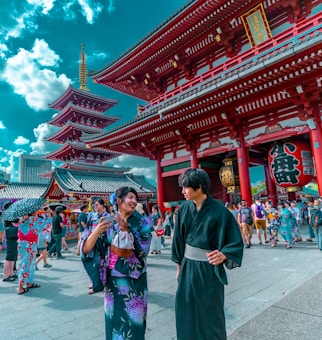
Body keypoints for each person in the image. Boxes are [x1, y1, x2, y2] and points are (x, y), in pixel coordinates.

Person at [171, 168, 244, 340]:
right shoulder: (183, 210)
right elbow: (178, 242)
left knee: (210, 311)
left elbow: (235, 242)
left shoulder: (220, 212)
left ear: (199, 187)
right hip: (188, 267)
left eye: (186, 187)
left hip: (208, 269)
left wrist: (224, 254)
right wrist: (178, 268)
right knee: (185, 308)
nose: (183, 192)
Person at [82, 187, 152, 340]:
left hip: (135, 282)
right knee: (114, 323)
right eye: (131, 197)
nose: (134, 201)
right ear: (119, 201)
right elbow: (87, 249)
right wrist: (97, 230)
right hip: (113, 282)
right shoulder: (106, 221)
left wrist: (128, 230)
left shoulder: (141, 222)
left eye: (136, 198)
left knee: (135, 323)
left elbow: (144, 251)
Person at [81, 198, 108, 294]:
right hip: (92, 241)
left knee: (103, 264)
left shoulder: (108, 216)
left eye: (96, 204)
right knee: (92, 262)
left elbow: (110, 232)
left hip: (103, 243)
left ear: (102, 205)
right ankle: (93, 281)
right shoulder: (92, 216)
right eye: (94, 205)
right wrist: (84, 240)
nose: (95, 207)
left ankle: (103, 284)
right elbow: (87, 229)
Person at [17, 211, 43, 294]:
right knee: (27, 264)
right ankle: (20, 287)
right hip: (30, 245)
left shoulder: (22, 221)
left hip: (22, 245)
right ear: (33, 212)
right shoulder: (34, 221)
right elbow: (42, 229)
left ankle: (29, 283)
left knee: (25, 264)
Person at [2, 202, 19, 282]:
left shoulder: (8, 214)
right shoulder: (8, 214)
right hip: (11, 237)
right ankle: (5, 276)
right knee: (9, 256)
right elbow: (16, 220)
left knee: (13, 256)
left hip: (13, 237)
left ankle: (11, 273)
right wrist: (21, 219)